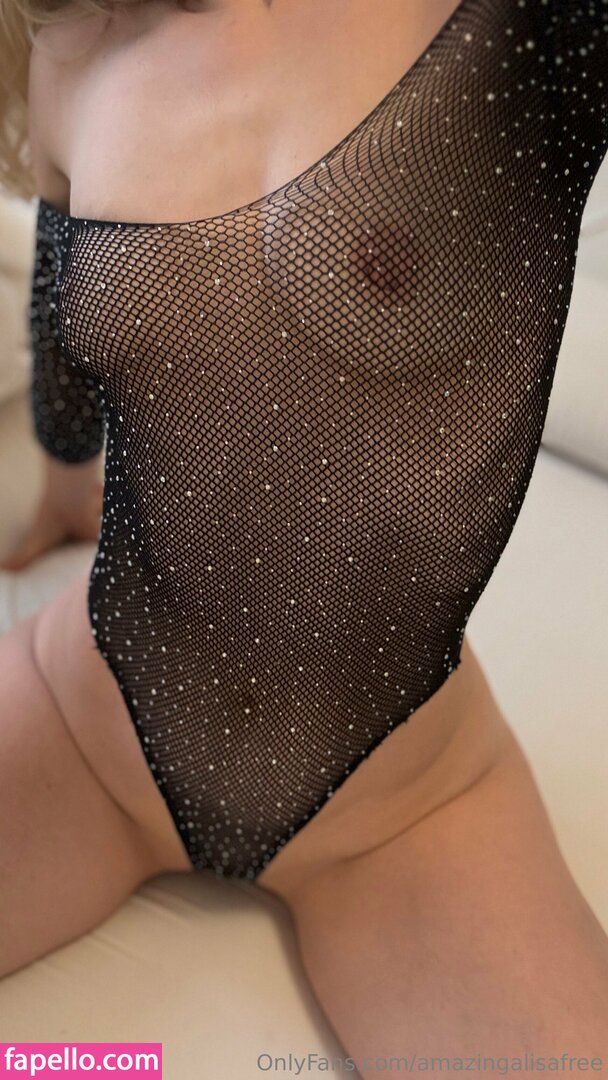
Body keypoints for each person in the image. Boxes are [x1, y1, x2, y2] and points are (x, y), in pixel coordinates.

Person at [0, 0, 607, 1069]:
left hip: (406, 804)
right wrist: (59, 494)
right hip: (93, 729)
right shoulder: (73, 49)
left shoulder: (527, 28)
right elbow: (61, 328)